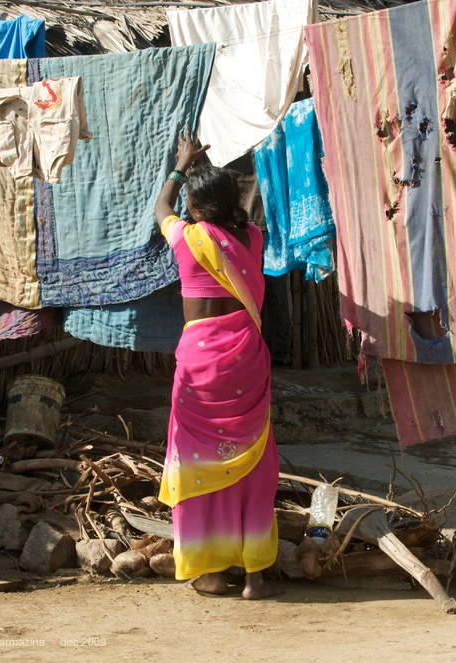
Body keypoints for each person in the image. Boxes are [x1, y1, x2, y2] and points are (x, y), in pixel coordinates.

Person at [153, 128, 281, 600]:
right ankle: (255, 575)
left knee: (200, 464)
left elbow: (160, 208)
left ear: (197, 208)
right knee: (252, 459)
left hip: (200, 367)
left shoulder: (188, 238)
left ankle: (210, 571)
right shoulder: (253, 238)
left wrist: (179, 167)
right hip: (245, 359)